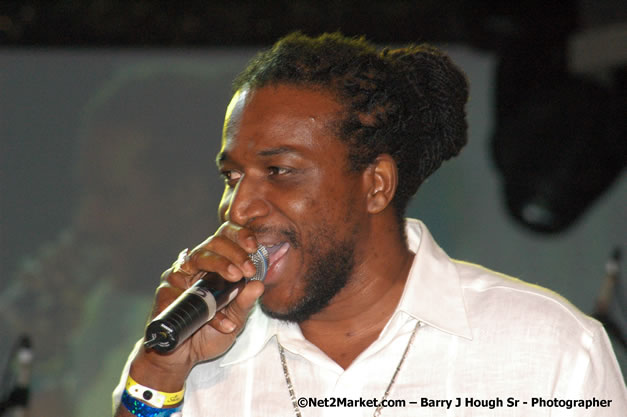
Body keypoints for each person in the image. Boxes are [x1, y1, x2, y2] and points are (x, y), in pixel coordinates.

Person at [112, 33, 626, 417]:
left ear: (376, 184)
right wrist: (159, 371)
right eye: (232, 176)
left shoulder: (548, 348)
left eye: (280, 171)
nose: (238, 207)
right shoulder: (188, 356)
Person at [0, 65, 229, 417]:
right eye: (86, 193)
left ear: (186, 196)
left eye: (110, 195)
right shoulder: (94, 302)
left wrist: (45, 361)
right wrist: (40, 350)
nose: (85, 219)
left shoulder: (224, 331)